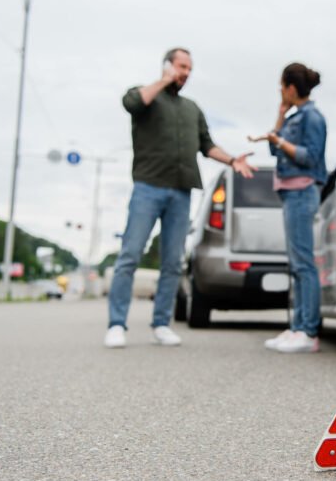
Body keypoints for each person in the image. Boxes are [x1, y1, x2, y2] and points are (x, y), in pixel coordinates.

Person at [104, 47, 256, 349]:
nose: (186, 73)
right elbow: (132, 103)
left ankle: (161, 324)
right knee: (130, 255)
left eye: (189, 69)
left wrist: (231, 160)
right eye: (181, 66)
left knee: (173, 262)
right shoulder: (145, 94)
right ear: (167, 66)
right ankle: (117, 324)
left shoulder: (192, 108)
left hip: (181, 191)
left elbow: (206, 145)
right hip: (148, 188)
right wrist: (163, 80)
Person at [249, 63, 327, 353]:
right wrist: (280, 117)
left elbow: (311, 156)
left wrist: (279, 140)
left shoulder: (313, 118)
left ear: (292, 88)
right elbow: (274, 150)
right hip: (291, 194)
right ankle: (296, 328)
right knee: (296, 264)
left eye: (282, 87)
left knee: (304, 264)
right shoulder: (294, 117)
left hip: (302, 192)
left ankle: (308, 332)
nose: (280, 92)